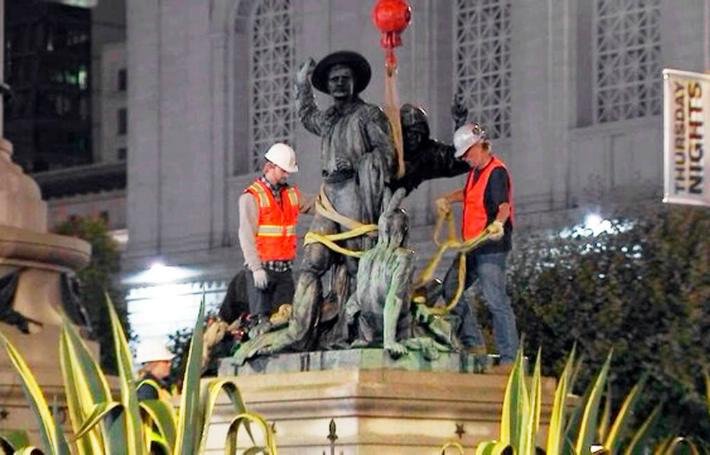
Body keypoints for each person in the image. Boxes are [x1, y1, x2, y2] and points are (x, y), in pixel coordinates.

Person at [435, 123, 518, 373]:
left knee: (496, 301)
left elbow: (503, 206)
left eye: (466, 154)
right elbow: (469, 193)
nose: (465, 159)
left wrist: (498, 225)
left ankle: (509, 359)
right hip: (472, 246)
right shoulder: (476, 172)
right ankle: (474, 345)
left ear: (479, 146)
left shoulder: (497, 172)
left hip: (491, 247)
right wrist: (448, 198)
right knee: (451, 289)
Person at [238, 143, 310, 319]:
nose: (287, 174)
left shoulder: (292, 195)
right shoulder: (252, 197)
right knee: (262, 323)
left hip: (284, 272)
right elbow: (246, 235)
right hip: (262, 271)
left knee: (287, 319)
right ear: (270, 167)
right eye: (284, 170)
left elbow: (316, 204)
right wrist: (255, 268)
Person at [393, 103, 470, 195]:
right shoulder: (390, 146)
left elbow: (457, 161)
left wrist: (460, 125)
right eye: (411, 133)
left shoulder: (429, 152)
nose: (416, 138)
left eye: (420, 133)